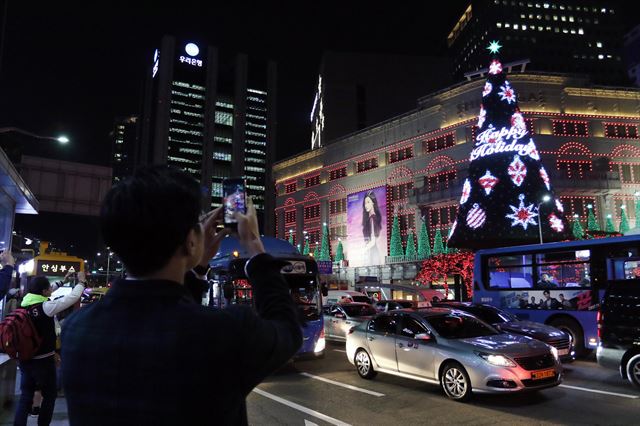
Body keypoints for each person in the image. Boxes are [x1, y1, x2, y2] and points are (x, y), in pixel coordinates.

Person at [61, 165, 302, 425]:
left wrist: (197, 266)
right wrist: (254, 244)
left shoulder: (76, 329)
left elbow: (167, 315)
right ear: (190, 240)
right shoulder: (226, 332)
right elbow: (288, 331)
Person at [14, 273, 86, 426]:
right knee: (50, 395)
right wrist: (81, 282)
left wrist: (63, 281)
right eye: (48, 289)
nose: (50, 291)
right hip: (43, 361)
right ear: (44, 292)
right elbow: (71, 298)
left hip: (25, 359)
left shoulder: (25, 302)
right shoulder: (46, 307)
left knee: (26, 395)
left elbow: (48, 290)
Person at [362, 191, 382, 265]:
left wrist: (364, 250)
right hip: (372, 254)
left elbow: (373, 241)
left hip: (372, 254)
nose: (366, 205)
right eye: (365, 203)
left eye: (368, 202)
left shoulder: (372, 219)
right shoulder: (370, 218)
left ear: (373, 202)